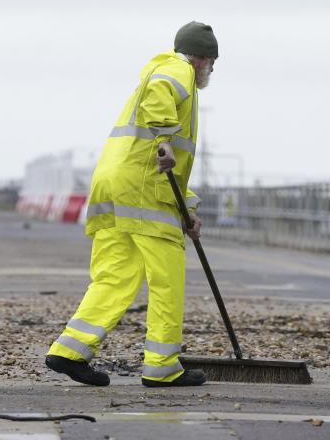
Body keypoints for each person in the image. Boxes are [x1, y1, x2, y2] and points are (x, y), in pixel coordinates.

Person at [45, 21, 218, 388]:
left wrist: (187, 208)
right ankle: (162, 366)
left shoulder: (163, 72)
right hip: (144, 194)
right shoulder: (177, 68)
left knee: (114, 277)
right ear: (201, 58)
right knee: (166, 280)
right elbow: (160, 103)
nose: (211, 70)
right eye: (212, 62)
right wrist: (166, 138)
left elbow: (166, 164)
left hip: (115, 186)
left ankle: (69, 351)